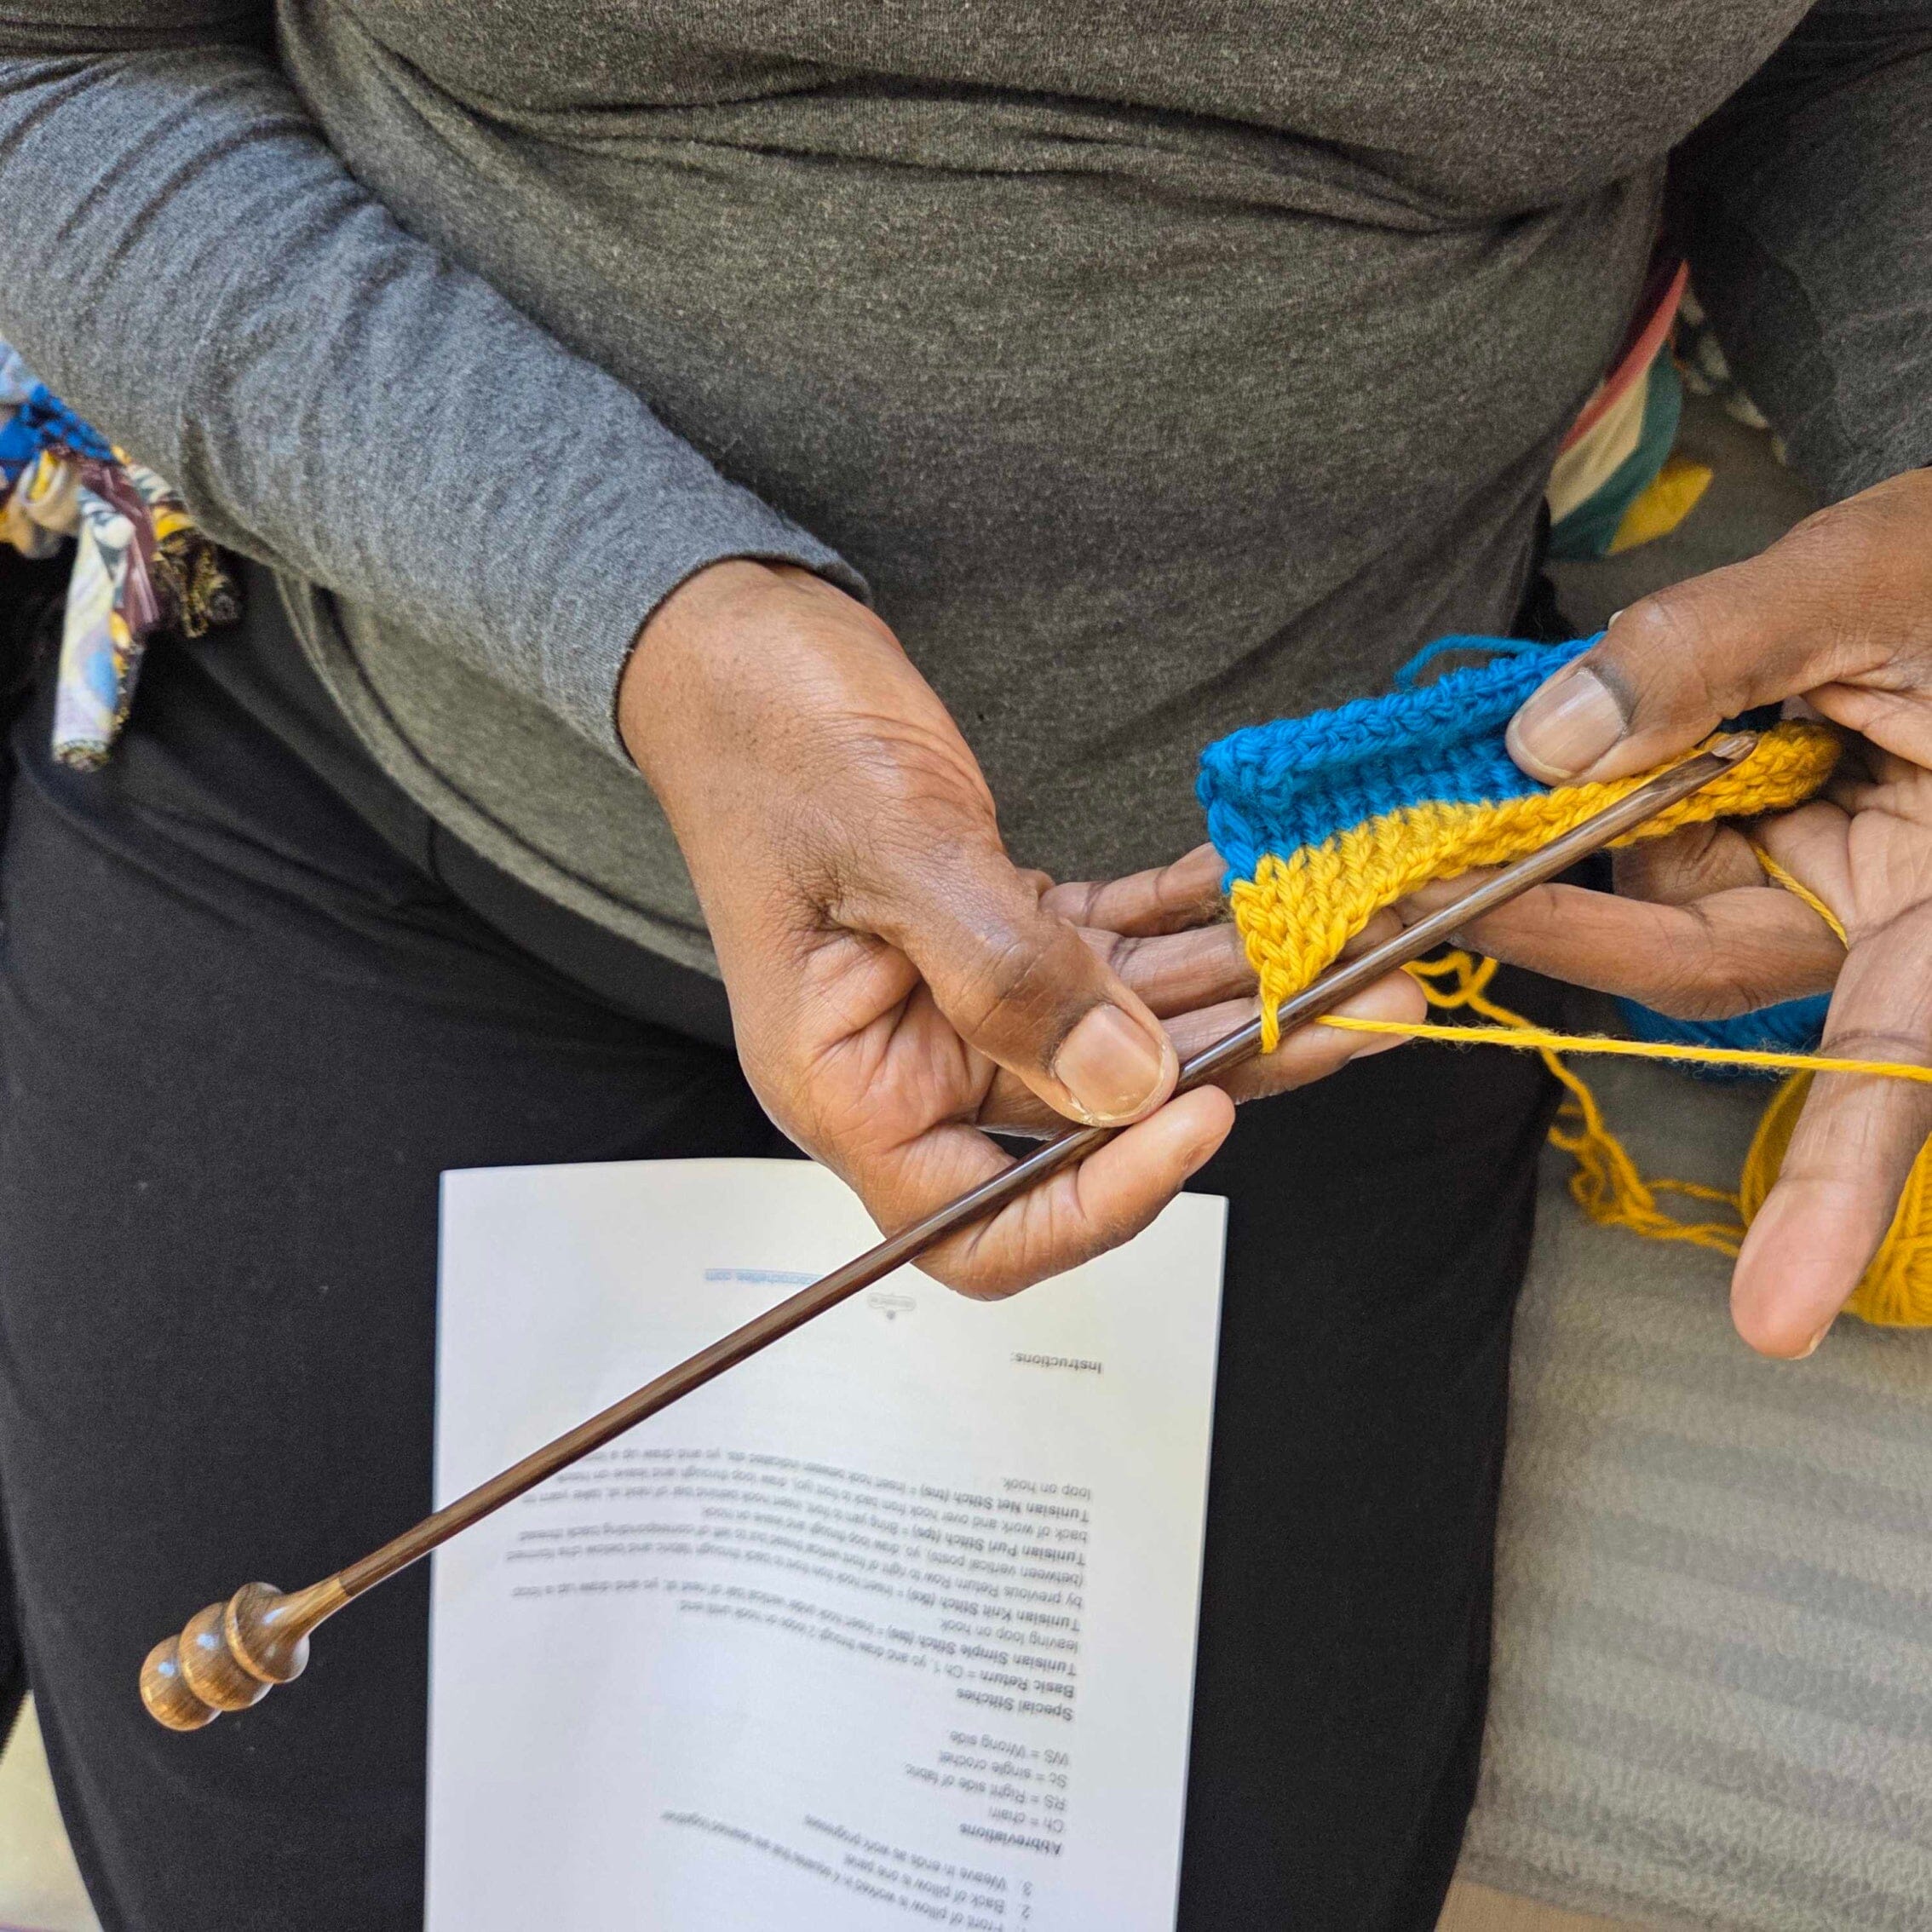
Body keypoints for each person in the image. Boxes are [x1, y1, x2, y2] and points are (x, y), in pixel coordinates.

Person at [0, 3, 1924, 1926]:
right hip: (374, 834)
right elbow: (53, 65)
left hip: (1293, 992)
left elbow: (1863, 50)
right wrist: (650, 619)